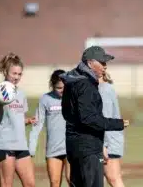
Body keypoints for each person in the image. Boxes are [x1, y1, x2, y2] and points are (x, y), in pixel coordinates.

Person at [60, 46, 130, 187]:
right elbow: (89, 118)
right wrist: (117, 124)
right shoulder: (86, 85)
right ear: (90, 63)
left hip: (74, 145)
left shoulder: (72, 81)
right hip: (88, 148)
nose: (105, 67)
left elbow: (66, 112)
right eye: (102, 63)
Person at [0, 53, 36, 187]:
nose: (16, 77)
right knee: (6, 184)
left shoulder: (21, 93)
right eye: (14, 73)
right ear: (5, 71)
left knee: (30, 184)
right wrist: (0, 102)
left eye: (19, 74)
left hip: (20, 143)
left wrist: (27, 121)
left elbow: (17, 117)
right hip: (4, 143)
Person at [29, 69, 70, 187]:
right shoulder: (45, 99)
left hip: (71, 148)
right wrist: (31, 148)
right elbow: (37, 124)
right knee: (54, 183)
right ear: (52, 86)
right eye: (58, 88)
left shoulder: (74, 98)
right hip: (53, 149)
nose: (62, 91)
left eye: (64, 87)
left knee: (71, 180)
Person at [98, 66, 125, 187]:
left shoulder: (103, 90)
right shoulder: (104, 88)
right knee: (99, 181)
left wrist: (103, 145)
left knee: (114, 179)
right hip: (107, 141)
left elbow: (105, 119)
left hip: (108, 142)